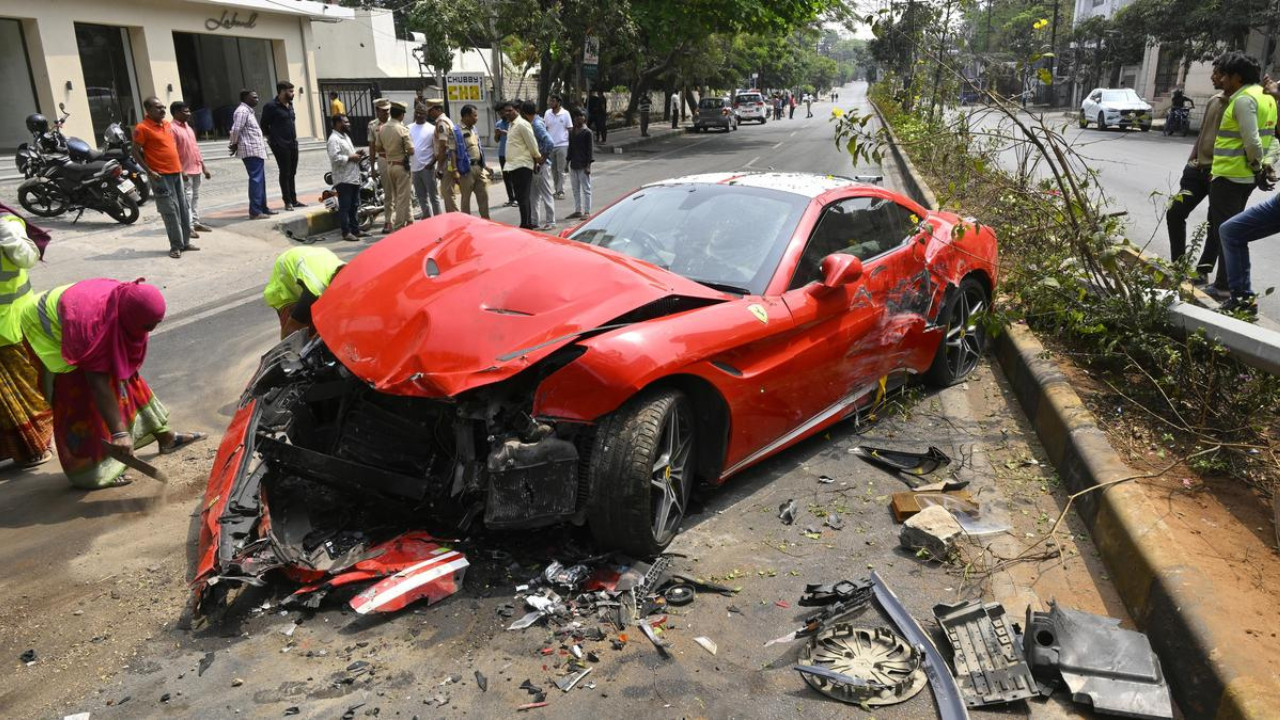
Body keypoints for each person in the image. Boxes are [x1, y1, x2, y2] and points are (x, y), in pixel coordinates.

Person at [19, 279, 205, 489]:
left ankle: (165, 436)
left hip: (78, 310)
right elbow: (97, 382)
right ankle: (90, 473)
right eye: (147, 326)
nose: (150, 331)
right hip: (46, 329)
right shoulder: (90, 328)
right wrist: (119, 433)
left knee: (126, 375)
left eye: (155, 324)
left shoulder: (125, 301)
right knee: (79, 395)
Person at [1198, 52, 1276, 297]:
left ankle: (1223, 285)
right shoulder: (1266, 98)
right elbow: (1273, 139)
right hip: (1245, 179)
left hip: (1231, 176)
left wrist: (1257, 166)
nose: (1222, 80)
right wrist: (1264, 166)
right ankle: (1229, 286)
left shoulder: (1243, 100)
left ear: (1237, 78)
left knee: (1227, 230)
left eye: (1226, 76)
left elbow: (1252, 140)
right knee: (1230, 229)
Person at [0, 205, 52, 468]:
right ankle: (32, 448)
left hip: (10, 326)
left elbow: (23, 256)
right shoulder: (6, 225)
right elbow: (27, 256)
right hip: (11, 326)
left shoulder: (6, 226)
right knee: (27, 392)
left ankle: (27, 448)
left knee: (14, 395)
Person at [1166, 67, 1226, 263]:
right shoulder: (1214, 101)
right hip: (1197, 170)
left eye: (1219, 73)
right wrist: (1191, 161)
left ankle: (1203, 271)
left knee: (1215, 225)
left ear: (1233, 76)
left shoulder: (1242, 104)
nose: (1213, 76)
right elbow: (1203, 132)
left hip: (1220, 173)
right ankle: (1178, 265)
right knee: (1175, 213)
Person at [132, 96, 195, 259]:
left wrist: (182, 170)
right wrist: (149, 171)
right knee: (170, 211)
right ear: (148, 110)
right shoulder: (142, 128)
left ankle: (186, 242)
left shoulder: (167, 125)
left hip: (176, 173)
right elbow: (135, 151)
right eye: (158, 107)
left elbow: (172, 148)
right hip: (160, 176)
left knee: (183, 208)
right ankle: (175, 245)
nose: (162, 110)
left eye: (163, 107)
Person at [264, 247, 345, 337]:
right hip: (285, 282)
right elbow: (292, 330)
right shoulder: (314, 291)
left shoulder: (347, 271)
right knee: (301, 335)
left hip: (310, 259)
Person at [169, 101, 213, 237]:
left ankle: (195, 222)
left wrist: (204, 167)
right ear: (176, 113)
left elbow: (195, 148)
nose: (189, 114)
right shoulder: (172, 128)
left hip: (196, 168)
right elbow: (173, 152)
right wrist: (181, 170)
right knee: (186, 199)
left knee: (195, 197)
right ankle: (188, 227)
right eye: (185, 111)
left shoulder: (188, 127)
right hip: (185, 171)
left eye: (189, 111)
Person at [261, 80, 304, 210]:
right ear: (281, 91)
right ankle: (287, 201)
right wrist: (272, 139)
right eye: (290, 91)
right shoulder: (271, 106)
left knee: (292, 172)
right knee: (285, 172)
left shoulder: (290, 105)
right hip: (280, 144)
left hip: (292, 143)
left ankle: (294, 199)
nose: (293, 94)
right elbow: (263, 125)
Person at [229, 89, 273, 219]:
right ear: (245, 98)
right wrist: (233, 143)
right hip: (250, 150)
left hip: (256, 151)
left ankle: (262, 207)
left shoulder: (248, 111)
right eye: (253, 97)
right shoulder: (242, 111)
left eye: (257, 97)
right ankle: (255, 211)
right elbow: (236, 129)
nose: (257, 99)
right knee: (256, 180)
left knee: (260, 181)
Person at [327, 114, 365, 241]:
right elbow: (335, 158)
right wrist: (350, 157)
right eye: (346, 122)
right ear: (338, 123)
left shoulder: (345, 137)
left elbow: (348, 154)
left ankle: (356, 229)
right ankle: (346, 232)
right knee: (345, 207)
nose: (349, 124)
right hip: (343, 179)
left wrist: (356, 154)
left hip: (353, 177)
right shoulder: (333, 139)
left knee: (354, 205)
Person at [378, 101, 415, 231]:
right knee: (402, 198)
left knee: (399, 196)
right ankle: (399, 227)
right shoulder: (402, 129)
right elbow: (411, 150)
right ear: (401, 115)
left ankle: (410, 220)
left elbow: (378, 146)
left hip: (389, 165)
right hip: (401, 166)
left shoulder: (382, 128)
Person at [505, 102, 542, 229]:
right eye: (505, 112)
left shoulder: (522, 124)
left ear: (517, 110)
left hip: (523, 165)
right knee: (520, 196)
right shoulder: (511, 125)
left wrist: (537, 159)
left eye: (510, 111)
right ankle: (525, 221)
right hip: (513, 165)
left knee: (524, 195)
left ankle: (526, 223)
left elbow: (532, 144)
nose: (507, 113)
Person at [428, 98, 462, 213]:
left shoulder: (441, 123)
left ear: (437, 109)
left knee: (447, 193)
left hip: (447, 161)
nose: (429, 114)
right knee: (449, 192)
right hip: (449, 160)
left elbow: (443, 146)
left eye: (430, 111)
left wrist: (439, 167)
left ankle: (456, 221)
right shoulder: (446, 120)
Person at [527, 102, 556, 229]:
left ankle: (551, 221)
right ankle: (535, 221)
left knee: (545, 193)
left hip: (541, 165)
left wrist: (542, 158)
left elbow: (549, 142)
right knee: (534, 194)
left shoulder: (536, 124)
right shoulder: (536, 122)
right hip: (534, 164)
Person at [409, 103, 441, 219]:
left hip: (427, 167)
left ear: (426, 114)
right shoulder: (408, 128)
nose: (418, 115)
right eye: (417, 112)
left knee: (434, 197)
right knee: (421, 197)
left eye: (422, 113)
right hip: (414, 168)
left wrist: (432, 163)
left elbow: (437, 148)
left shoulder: (432, 129)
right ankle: (427, 218)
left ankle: (438, 219)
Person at [458, 104, 490, 219]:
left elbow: (479, 147)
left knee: (483, 195)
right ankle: (466, 222)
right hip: (467, 169)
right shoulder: (457, 131)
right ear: (466, 116)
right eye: (474, 115)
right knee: (466, 198)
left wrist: (485, 166)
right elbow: (453, 152)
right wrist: (455, 170)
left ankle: (486, 220)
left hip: (479, 167)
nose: (476, 118)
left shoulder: (474, 129)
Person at [367, 98, 392, 232]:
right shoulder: (373, 125)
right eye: (383, 111)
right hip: (382, 159)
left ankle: (402, 219)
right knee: (388, 192)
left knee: (400, 192)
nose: (386, 113)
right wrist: (372, 167)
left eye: (388, 110)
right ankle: (388, 221)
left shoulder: (395, 123)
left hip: (396, 158)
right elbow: (371, 147)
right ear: (377, 111)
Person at [566, 111, 593, 219]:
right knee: (575, 189)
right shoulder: (572, 131)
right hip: (574, 164)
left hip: (583, 165)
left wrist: (588, 166)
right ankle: (578, 210)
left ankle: (587, 211)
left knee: (586, 189)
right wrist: (567, 162)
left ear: (584, 118)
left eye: (580, 116)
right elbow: (570, 148)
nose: (578, 118)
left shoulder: (587, 132)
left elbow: (590, 151)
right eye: (576, 116)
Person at [544, 96, 572, 198]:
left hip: (562, 145)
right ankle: (556, 189)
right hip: (551, 146)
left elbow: (570, 129)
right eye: (550, 100)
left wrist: (571, 145)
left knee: (561, 169)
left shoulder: (565, 114)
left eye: (553, 101)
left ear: (558, 102)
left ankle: (561, 190)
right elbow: (545, 128)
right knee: (553, 169)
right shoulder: (547, 113)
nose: (550, 102)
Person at [493, 102, 517, 208]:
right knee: (506, 178)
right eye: (499, 113)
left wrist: (505, 132)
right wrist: (497, 135)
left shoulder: (513, 123)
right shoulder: (498, 124)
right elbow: (496, 140)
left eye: (502, 112)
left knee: (514, 177)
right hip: (502, 154)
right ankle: (511, 198)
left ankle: (517, 198)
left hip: (512, 153)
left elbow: (515, 136)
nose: (501, 115)